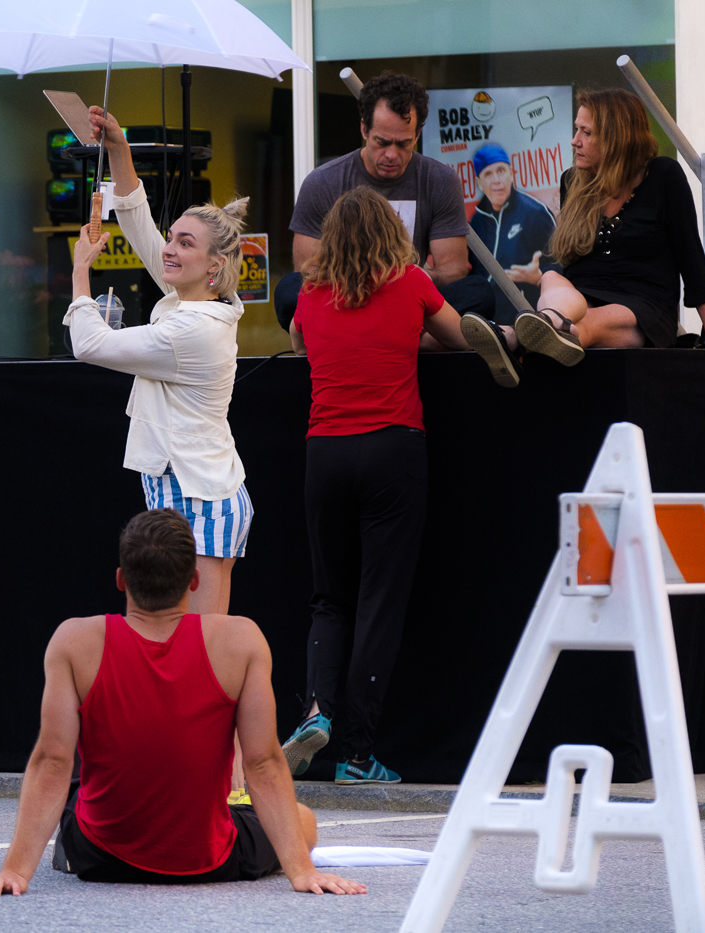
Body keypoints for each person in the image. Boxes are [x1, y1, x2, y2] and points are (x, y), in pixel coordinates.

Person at [0, 509, 365, 897]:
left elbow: (52, 760)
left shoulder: (73, 641)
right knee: (304, 819)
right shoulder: (241, 641)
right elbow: (262, 762)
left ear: (121, 579)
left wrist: (14, 871)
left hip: (98, 857)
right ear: (194, 580)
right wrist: (302, 871)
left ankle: (67, 845)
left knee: (76, 776)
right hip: (206, 860)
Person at [65, 106, 256, 799]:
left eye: (185, 244)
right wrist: (117, 147)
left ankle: (232, 786)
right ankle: (199, 779)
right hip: (180, 488)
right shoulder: (186, 301)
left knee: (206, 654)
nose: (168, 250)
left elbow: (90, 344)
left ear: (215, 267)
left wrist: (81, 275)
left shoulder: (194, 328)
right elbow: (137, 217)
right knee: (178, 650)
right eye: (172, 239)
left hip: (202, 496)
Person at [282, 187, 481, 786]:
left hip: (325, 451)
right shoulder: (411, 283)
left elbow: (300, 347)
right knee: (379, 602)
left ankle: (315, 713)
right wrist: (410, 337)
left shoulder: (310, 294)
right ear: (392, 233)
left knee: (328, 598)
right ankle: (358, 755)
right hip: (394, 449)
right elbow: (463, 338)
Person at [493, 88, 705, 365]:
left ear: (616, 138)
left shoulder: (663, 176)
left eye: (586, 132)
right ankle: (547, 326)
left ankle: (512, 338)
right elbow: (570, 266)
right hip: (578, 299)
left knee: (587, 323)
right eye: (576, 129)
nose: (575, 141)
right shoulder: (572, 181)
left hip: (641, 307)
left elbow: (691, 260)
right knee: (550, 278)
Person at [279, 71, 495, 331]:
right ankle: (422, 342)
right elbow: (309, 271)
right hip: (345, 302)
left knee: (478, 291)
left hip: (409, 302)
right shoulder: (323, 182)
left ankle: (385, 336)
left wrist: (412, 280)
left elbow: (454, 269)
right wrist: (362, 285)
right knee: (288, 291)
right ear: (364, 129)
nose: (392, 154)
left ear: (417, 135)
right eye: (382, 142)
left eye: (403, 144)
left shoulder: (439, 180)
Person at [466, 143, 556, 324]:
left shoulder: (535, 213)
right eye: (488, 174)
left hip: (528, 319)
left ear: (511, 173)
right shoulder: (476, 222)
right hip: (486, 322)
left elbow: (561, 265)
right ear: (479, 183)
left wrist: (538, 277)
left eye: (501, 171)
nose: (496, 180)